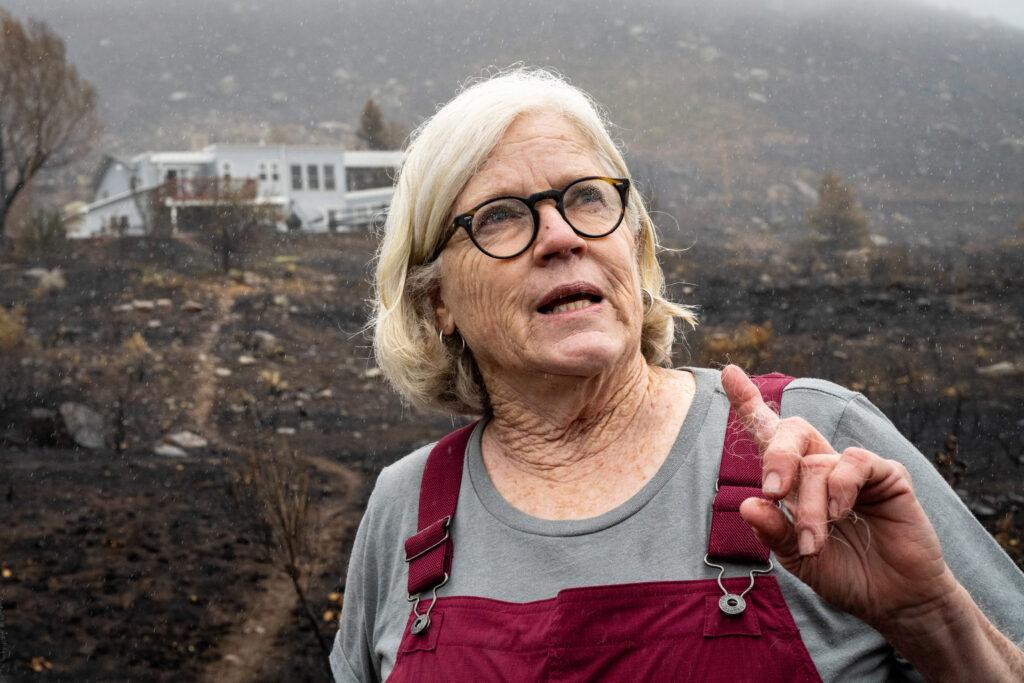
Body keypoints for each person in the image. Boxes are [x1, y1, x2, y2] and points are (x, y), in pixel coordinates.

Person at [330, 68, 1024, 682]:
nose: (562, 237)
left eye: (587, 198)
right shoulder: (407, 507)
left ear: (632, 243)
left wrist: (931, 617)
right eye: (501, 217)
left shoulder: (817, 446)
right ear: (436, 301)